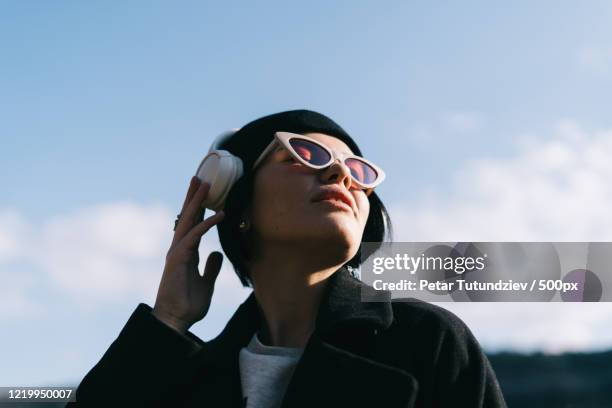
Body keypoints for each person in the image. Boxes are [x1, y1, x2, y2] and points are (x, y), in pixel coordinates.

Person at [66, 110, 507, 408]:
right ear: (236, 198)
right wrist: (166, 323)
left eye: (358, 170)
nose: (339, 174)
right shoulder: (186, 377)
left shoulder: (426, 343)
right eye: (305, 153)